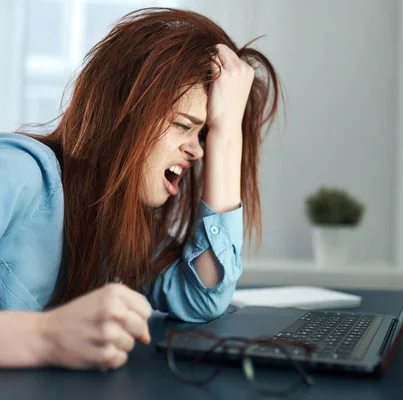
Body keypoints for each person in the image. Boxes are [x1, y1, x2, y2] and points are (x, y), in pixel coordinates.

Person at [0, 7, 280, 370]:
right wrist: (46, 337)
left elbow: (203, 297)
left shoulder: (119, 230)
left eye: (205, 136)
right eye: (183, 125)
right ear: (122, 115)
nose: (197, 151)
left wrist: (227, 136)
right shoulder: (17, 171)